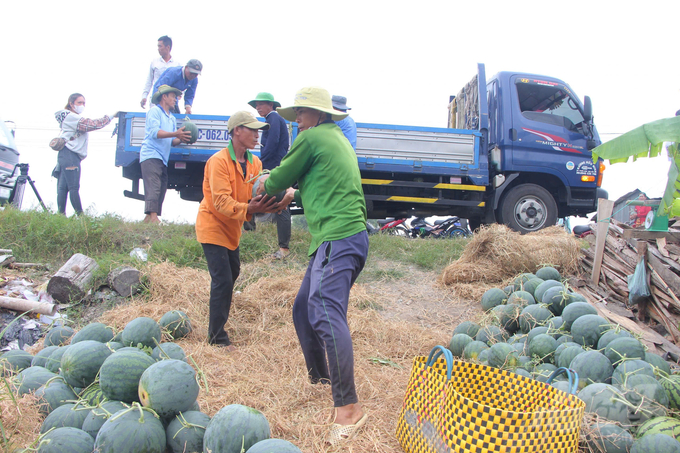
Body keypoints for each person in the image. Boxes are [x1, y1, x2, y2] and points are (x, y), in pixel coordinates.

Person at [257, 87, 369, 445]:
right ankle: (323, 381)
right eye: (297, 112)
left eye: (302, 111)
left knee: (323, 311)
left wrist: (266, 186)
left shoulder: (313, 137)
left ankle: (348, 408)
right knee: (304, 310)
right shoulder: (335, 139)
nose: (298, 118)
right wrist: (296, 194)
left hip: (339, 237)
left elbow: (276, 181)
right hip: (339, 239)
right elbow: (322, 185)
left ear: (317, 113)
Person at [195, 111, 285, 348]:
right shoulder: (219, 162)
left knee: (232, 274)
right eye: (252, 130)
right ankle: (217, 338)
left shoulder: (256, 163)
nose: (257, 136)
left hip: (232, 229)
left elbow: (255, 193)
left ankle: (218, 323)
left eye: (259, 131)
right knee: (223, 279)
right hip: (213, 226)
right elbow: (221, 203)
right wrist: (250, 208)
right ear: (237, 131)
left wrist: (270, 203)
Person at [53, 94, 116, 215]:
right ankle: (81, 217)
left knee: (63, 187)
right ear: (71, 104)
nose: (82, 106)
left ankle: (60, 216)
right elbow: (92, 124)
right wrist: (110, 117)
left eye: (83, 103)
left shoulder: (67, 117)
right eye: (79, 103)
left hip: (64, 154)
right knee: (73, 187)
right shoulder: (71, 117)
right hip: (70, 154)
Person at [246, 92, 291, 259]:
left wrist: (261, 164)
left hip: (272, 167)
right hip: (276, 166)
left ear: (271, 106)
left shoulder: (273, 119)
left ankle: (249, 230)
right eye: (256, 105)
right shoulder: (275, 119)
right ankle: (283, 246)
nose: (258, 108)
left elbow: (271, 144)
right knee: (280, 203)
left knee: (277, 202)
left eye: (261, 104)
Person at [139, 85, 191, 224]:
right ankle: (154, 217)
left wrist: (182, 138)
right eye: (173, 96)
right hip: (151, 154)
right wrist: (175, 133)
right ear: (164, 97)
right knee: (154, 185)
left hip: (162, 157)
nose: (175, 99)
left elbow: (172, 141)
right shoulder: (154, 111)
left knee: (162, 186)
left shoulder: (171, 118)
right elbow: (155, 133)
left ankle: (149, 218)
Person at [140, 35, 181, 109]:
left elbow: (181, 82)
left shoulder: (176, 65)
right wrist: (144, 96)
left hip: (170, 102)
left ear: (167, 47)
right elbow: (149, 80)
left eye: (160, 46)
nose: (158, 49)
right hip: (156, 99)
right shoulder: (155, 62)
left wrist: (180, 94)